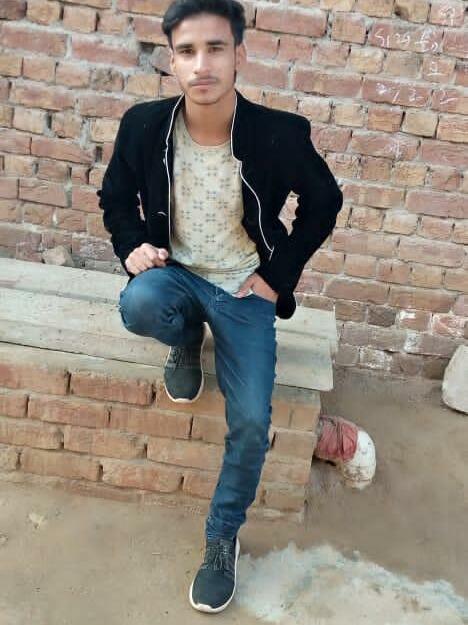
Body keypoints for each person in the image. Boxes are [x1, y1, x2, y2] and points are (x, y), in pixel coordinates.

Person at [97, 0, 343, 613]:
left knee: (253, 422)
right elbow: (115, 196)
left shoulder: (279, 134)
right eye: (186, 51)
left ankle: (221, 537)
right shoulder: (144, 126)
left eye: (215, 48)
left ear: (239, 55)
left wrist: (276, 277)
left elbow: (325, 201)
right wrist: (131, 247)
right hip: (177, 275)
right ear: (171, 60)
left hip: (242, 291)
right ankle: (185, 338)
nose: (201, 64)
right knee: (139, 303)